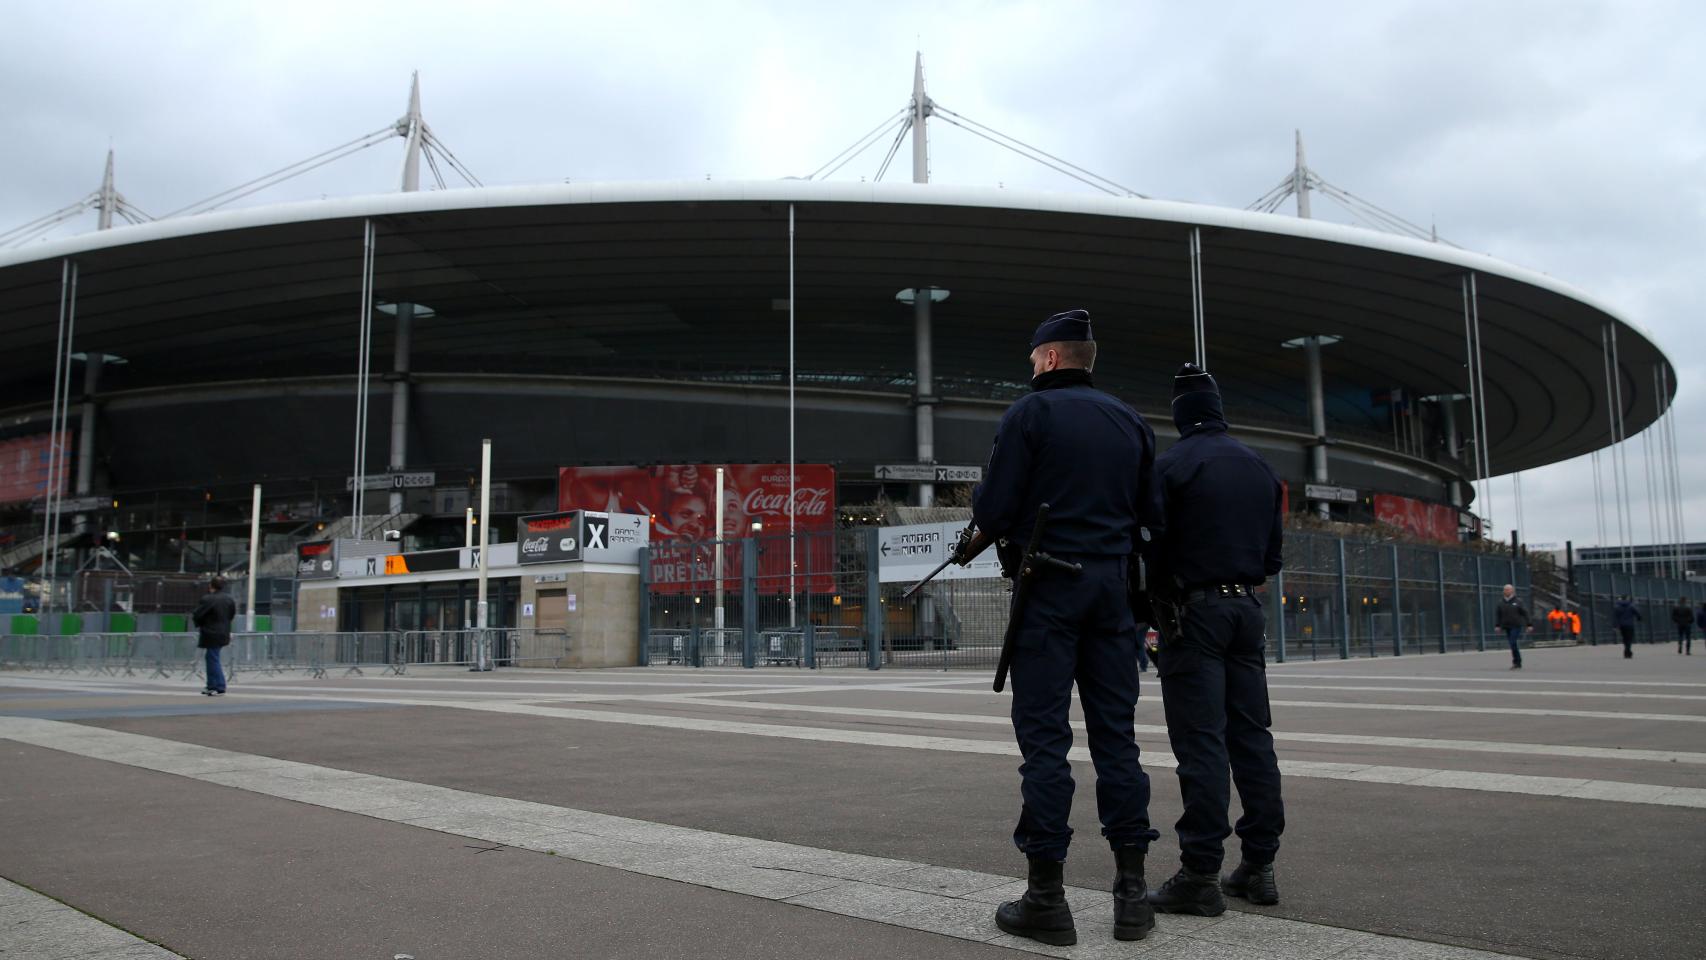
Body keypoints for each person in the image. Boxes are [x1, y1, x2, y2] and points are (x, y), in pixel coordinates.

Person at [972, 309, 1163, 945]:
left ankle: (1047, 899)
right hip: (1113, 591)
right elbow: (1151, 512)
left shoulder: (1028, 415)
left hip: (1048, 589)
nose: (1031, 367)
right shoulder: (1129, 419)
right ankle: (1132, 897)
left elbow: (995, 509)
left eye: (1034, 359)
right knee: (1119, 742)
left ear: (1050, 358)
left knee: (1046, 744)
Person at [1142, 363, 1286, 919]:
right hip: (1246, 611)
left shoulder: (1172, 466)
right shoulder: (1260, 466)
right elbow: (1272, 557)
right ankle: (1260, 863)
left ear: (1181, 415)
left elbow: (1150, 546)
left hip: (1194, 612)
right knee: (1253, 737)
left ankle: (1200, 872)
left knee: (1201, 742)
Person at [191, 576, 236, 695]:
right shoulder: (229, 599)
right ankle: (211, 685)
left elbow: (198, 614)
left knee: (212, 658)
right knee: (211, 657)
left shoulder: (208, 599)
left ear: (211, 585)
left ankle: (219, 685)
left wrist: (201, 624)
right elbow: (231, 615)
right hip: (223, 632)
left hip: (211, 632)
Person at [1494, 585, 1531, 669]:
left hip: (1516, 625)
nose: (1506, 591)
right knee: (1512, 644)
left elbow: (1525, 613)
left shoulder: (1518, 601)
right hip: (1506, 626)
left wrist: (1529, 624)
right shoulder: (1501, 602)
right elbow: (1498, 615)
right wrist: (1497, 625)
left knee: (1513, 642)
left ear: (1512, 591)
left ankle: (1517, 661)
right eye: (1505, 590)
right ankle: (1517, 662)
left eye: (1508, 590)